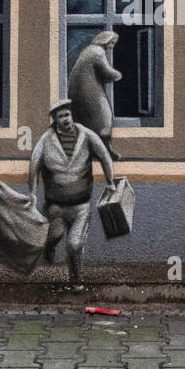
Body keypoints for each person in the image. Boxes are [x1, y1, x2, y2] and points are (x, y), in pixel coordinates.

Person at [28, 99, 115, 290]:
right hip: (56, 208)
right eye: (61, 116)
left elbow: (104, 156)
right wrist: (33, 193)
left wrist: (110, 183)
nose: (65, 119)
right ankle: (49, 247)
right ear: (55, 120)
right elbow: (34, 164)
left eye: (67, 114)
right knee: (54, 236)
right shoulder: (46, 139)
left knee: (74, 245)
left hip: (81, 206)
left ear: (71, 114)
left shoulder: (85, 134)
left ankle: (76, 282)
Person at [68, 29, 123, 160]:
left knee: (89, 122)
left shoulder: (89, 50)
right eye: (112, 43)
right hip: (89, 92)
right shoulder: (97, 52)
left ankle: (96, 151)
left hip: (83, 91)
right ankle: (104, 151)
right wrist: (119, 74)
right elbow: (107, 72)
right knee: (104, 119)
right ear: (105, 40)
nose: (112, 47)